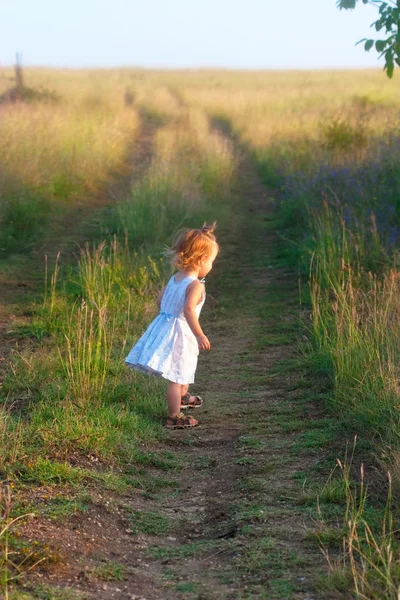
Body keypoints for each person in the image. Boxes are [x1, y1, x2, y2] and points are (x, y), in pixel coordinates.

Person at [125, 223, 219, 429]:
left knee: (183, 368)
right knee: (177, 376)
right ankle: (174, 416)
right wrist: (200, 334)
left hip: (166, 325)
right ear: (202, 260)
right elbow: (188, 310)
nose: (211, 265)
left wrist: (168, 315)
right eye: (212, 261)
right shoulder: (195, 285)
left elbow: (160, 301)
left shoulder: (175, 279)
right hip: (182, 332)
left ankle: (183, 398)